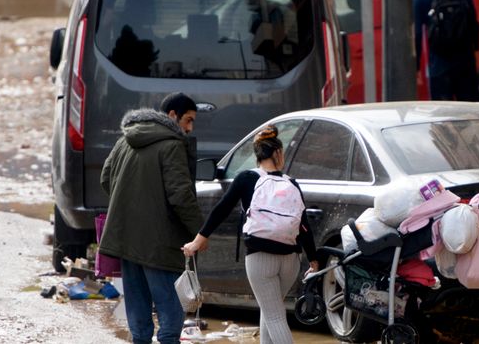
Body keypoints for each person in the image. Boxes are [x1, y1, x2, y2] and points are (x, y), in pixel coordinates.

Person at [182, 125, 319, 344]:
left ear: (256, 154)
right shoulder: (291, 183)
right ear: (278, 153)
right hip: (290, 261)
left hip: (260, 258)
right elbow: (303, 226)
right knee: (270, 309)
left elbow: (221, 209)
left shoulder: (246, 179)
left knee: (274, 315)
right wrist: (313, 259)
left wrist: (199, 240)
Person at [99, 92, 204, 344]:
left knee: (139, 317)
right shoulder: (172, 145)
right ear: (172, 116)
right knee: (171, 316)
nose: (189, 128)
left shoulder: (126, 140)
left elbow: (105, 178)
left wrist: (131, 206)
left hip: (127, 241)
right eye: (188, 120)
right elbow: (180, 196)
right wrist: (201, 232)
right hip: (160, 244)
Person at [413, 0, 479, 101]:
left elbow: (417, 33)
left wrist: (416, 67)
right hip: (466, 62)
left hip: (438, 64)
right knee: (471, 111)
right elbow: (474, 25)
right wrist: (476, 55)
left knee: (442, 115)